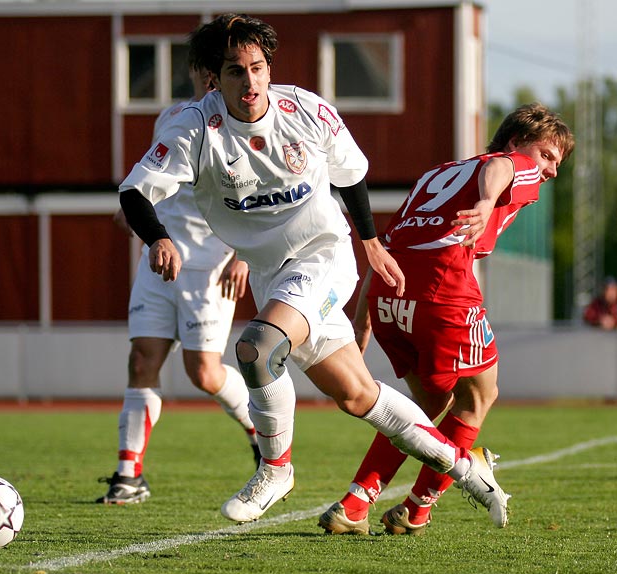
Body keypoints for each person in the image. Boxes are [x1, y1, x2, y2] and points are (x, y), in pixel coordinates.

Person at [117, 12, 510, 527]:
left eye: (258, 67)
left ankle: (275, 467)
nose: (250, 81)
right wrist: (158, 237)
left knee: (256, 349)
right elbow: (134, 190)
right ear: (216, 77)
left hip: (324, 259)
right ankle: (467, 468)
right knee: (358, 395)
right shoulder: (195, 128)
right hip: (270, 273)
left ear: (268, 67)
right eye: (236, 71)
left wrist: (370, 242)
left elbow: (352, 176)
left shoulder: (304, 109)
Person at [318, 103, 574, 535]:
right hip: (441, 290)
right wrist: (489, 199)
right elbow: (505, 168)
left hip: (388, 291)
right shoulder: (510, 165)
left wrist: (361, 321)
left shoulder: (439, 173)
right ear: (516, 141)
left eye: (555, 163)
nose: (549, 171)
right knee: (479, 398)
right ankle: (418, 507)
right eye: (547, 156)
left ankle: (356, 503)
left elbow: (387, 246)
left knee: (426, 405)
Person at [97, 56, 258, 505]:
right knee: (140, 361)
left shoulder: (240, 127)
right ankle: (128, 475)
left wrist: (242, 255)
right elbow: (153, 178)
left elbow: (258, 197)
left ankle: (260, 430)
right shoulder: (170, 117)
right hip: (159, 258)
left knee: (203, 374)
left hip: (210, 267)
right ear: (194, 72)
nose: (209, 76)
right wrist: (134, 211)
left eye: (220, 68)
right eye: (203, 68)